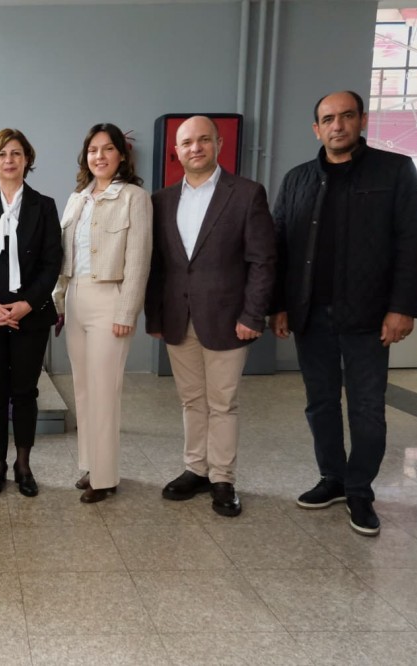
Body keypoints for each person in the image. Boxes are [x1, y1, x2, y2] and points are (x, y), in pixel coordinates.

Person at [271, 90, 417, 536]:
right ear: (316, 129)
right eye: (328, 119)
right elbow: (279, 246)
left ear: (362, 120)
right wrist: (278, 305)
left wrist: (403, 307)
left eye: (345, 116)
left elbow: (415, 242)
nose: (337, 125)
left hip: (369, 316)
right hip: (311, 315)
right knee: (320, 403)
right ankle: (333, 478)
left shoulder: (394, 171)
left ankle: (360, 489)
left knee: (367, 408)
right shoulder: (298, 179)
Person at [145, 116, 276, 517]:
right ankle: (195, 469)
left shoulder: (246, 194)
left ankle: (222, 478)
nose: (195, 148)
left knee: (222, 402)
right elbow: (157, 265)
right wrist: (155, 317)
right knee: (191, 400)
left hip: (228, 317)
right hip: (177, 317)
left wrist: (253, 315)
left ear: (219, 144)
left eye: (203, 140)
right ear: (177, 151)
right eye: (187, 142)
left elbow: (262, 261)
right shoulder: (161, 200)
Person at [54, 123, 153, 504]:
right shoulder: (76, 199)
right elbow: (65, 257)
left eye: (108, 148)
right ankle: (90, 464)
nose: (100, 156)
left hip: (110, 299)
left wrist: (127, 311)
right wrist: (59, 301)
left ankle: (106, 476)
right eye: (93, 150)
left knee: (104, 390)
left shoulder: (134, 198)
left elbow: (139, 259)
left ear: (121, 156)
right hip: (75, 298)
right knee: (83, 387)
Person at [0, 128, 62, 498]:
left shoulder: (44, 206)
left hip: (29, 314)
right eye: (2, 154)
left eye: (16, 153)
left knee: (24, 392)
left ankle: (23, 464)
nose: (9, 160)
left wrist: (27, 304)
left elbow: (52, 262)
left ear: (26, 160)